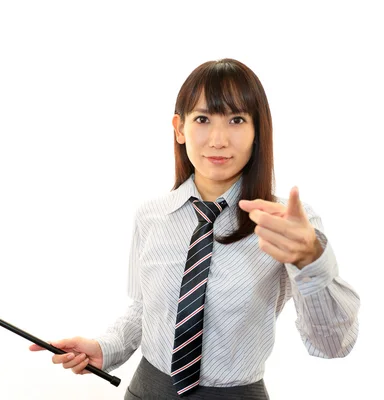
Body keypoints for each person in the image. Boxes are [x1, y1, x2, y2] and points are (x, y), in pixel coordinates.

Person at [29, 58, 360, 399]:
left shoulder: (288, 224)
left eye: (236, 120)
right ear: (179, 128)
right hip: (146, 391)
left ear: (257, 130)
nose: (218, 140)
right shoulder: (152, 215)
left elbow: (333, 345)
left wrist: (311, 260)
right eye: (203, 119)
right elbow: (145, 309)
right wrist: (105, 348)